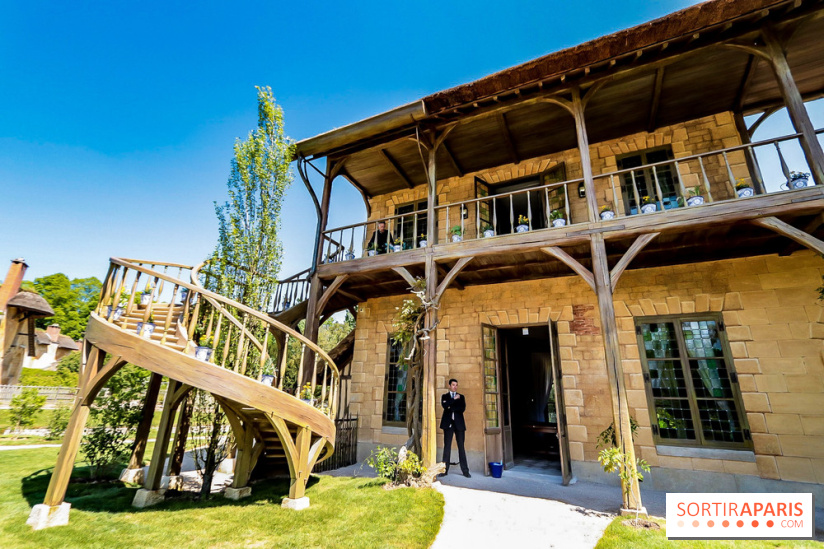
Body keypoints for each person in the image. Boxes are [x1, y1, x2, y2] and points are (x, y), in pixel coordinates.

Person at [440, 378, 470, 477]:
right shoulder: (445, 396)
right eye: (453, 385)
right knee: (447, 447)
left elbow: (462, 408)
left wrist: (450, 406)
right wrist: (453, 400)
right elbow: (445, 406)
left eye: (456, 385)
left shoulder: (461, 397)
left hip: (459, 425)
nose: (455, 387)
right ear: (449, 386)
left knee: (461, 447)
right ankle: (444, 470)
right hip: (448, 425)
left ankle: (465, 471)